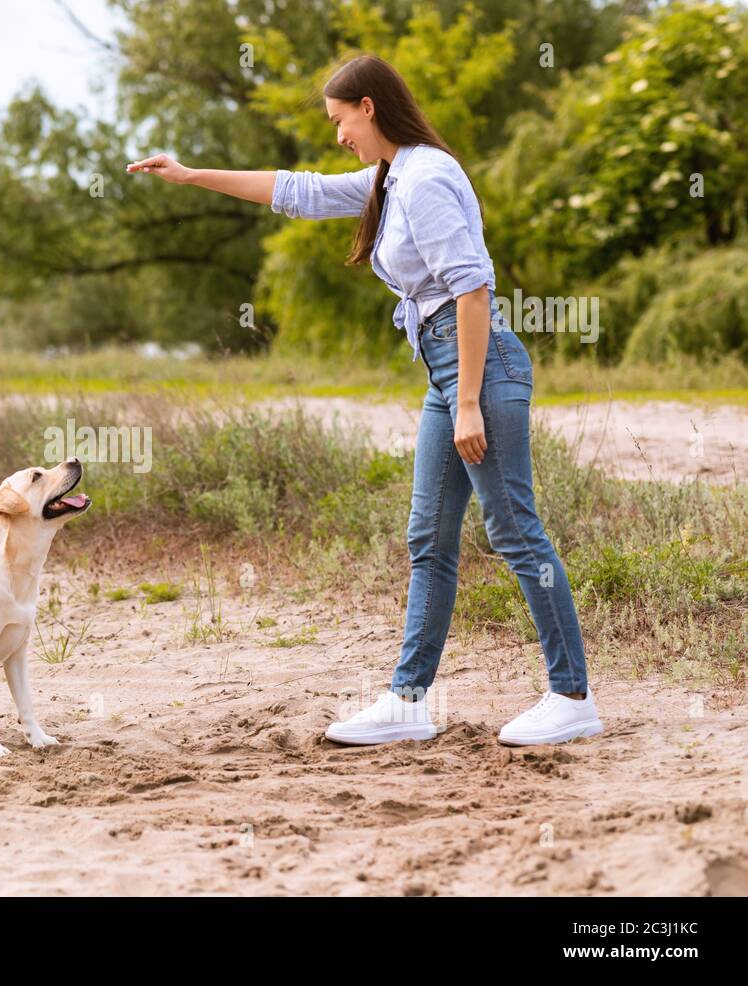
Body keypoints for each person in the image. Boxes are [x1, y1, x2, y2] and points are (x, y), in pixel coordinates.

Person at [126, 53, 602, 747]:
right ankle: (408, 701)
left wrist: (468, 400)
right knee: (429, 539)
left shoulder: (428, 177)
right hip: (448, 371)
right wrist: (192, 175)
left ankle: (571, 695)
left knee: (515, 531)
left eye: (340, 119)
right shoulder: (394, 176)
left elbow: (472, 289)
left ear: (369, 107)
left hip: (478, 366)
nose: (338, 133)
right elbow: (304, 192)